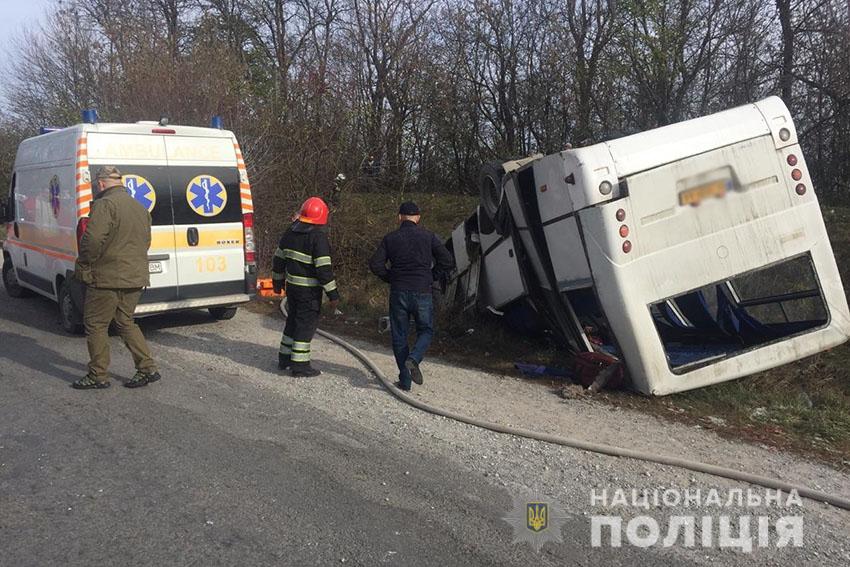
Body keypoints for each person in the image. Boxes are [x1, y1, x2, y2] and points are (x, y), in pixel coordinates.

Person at [72, 166, 160, 389]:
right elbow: (146, 241)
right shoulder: (140, 207)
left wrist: (84, 263)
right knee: (125, 321)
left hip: (107, 277)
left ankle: (97, 375)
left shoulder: (104, 205)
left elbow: (91, 241)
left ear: (101, 184)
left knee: (95, 324)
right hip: (135, 275)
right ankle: (147, 368)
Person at [368, 201, 454, 391]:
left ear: (399, 217)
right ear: (418, 218)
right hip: (422, 291)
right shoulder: (429, 237)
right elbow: (447, 260)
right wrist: (432, 276)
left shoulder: (391, 238)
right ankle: (414, 359)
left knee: (399, 335)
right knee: (426, 330)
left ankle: (405, 381)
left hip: (399, 292)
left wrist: (390, 277)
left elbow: (375, 264)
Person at [272, 197, 340, 377]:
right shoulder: (318, 238)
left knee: (292, 321)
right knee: (305, 326)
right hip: (309, 293)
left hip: (292, 289)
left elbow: (278, 260)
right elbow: (324, 270)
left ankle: (284, 358)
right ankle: (300, 366)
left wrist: (277, 283)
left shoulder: (290, 232)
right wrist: (333, 295)